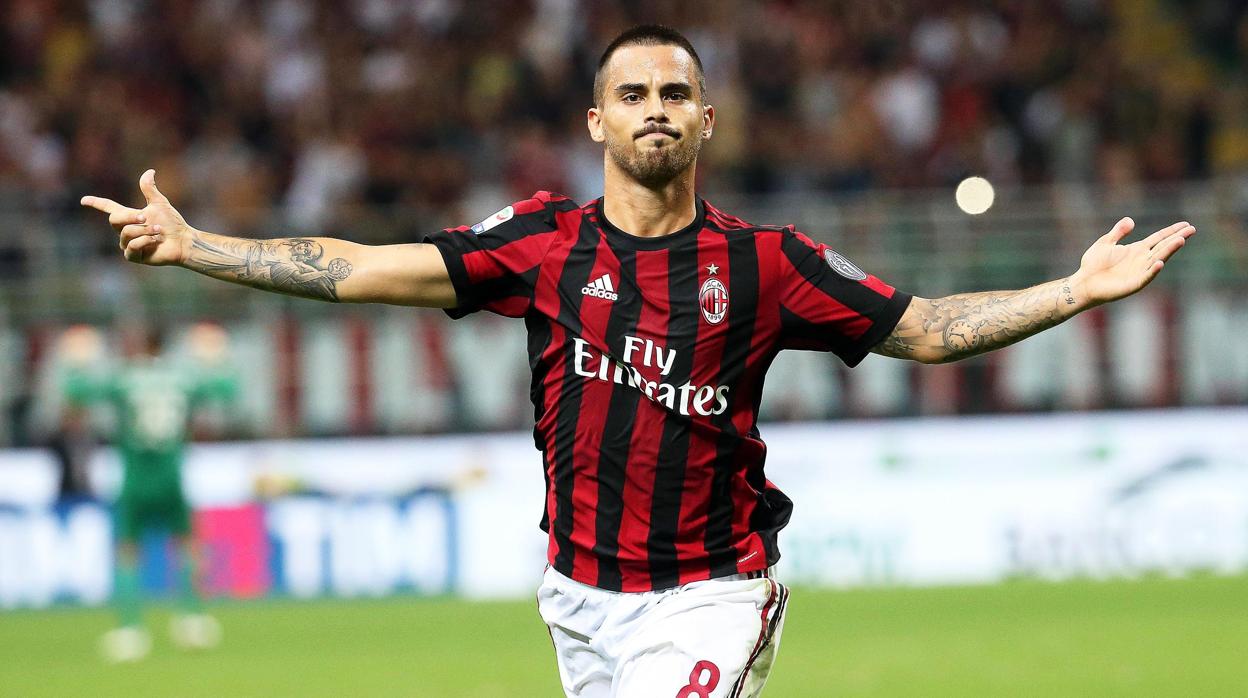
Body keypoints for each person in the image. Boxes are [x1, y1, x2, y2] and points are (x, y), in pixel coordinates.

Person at [80, 24, 1194, 697]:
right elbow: (360, 266)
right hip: (578, 595)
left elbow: (925, 325)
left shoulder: (766, 264)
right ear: (596, 122)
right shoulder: (540, 245)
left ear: (706, 119)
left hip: (709, 592)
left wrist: (1072, 289)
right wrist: (199, 249)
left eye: (674, 94)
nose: (654, 110)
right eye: (633, 95)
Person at [62, 325, 237, 663]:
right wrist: (218, 358)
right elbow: (227, 390)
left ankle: (131, 629)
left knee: (128, 551)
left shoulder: (124, 378)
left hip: (135, 479)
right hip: (172, 477)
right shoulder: (184, 378)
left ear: (136, 346)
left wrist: (76, 362)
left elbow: (76, 391)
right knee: (188, 544)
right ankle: (192, 619)